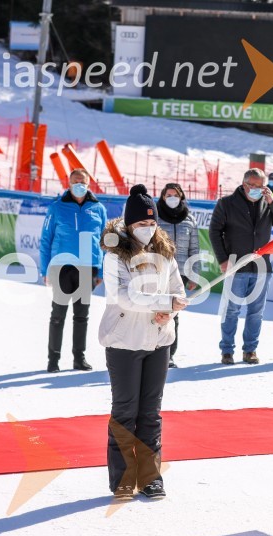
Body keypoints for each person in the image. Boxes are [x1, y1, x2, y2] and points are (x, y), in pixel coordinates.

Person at [98, 184, 187, 501]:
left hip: (159, 343)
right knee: (125, 412)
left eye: (151, 223)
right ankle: (122, 479)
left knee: (150, 413)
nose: (147, 229)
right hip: (124, 342)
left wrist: (171, 312)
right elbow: (121, 297)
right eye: (141, 224)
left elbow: (178, 291)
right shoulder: (114, 255)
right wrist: (162, 303)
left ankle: (150, 477)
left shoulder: (165, 251)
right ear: (128, 224)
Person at [209, 168, 273, 365]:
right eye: (253, 185)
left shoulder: (268, 203)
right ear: (245, 184)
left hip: (261, 268)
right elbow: (214, 231)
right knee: (232, 311)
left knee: (256, 312)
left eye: (261, 186)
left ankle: (250, 350)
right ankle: (227, 350)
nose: (257, 189)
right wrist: (223, 259)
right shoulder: (226, 203)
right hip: (236, 266)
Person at [40, 168, 107, 373]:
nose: (80, 184)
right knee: (58, 315)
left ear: (89, 184)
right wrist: (45, 270)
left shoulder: (98, 209)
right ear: (68, 184)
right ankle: (54, 359)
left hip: (87, 268)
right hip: (62, 267)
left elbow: (104, 243)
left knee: (82, 316)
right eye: (76, 181)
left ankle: (79, 358)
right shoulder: (57, 208)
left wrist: (101, 272)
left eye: (83, 181)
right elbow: (46, 239)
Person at [156, 183, 200, 368]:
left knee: (174, 314)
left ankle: (169, 354)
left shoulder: (189, 219)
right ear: (163, 197)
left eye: (176, 194)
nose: (172, 198)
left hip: (180, 274)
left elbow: (194, 249)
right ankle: (152, 350)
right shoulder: (156, 217)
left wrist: (194, 275)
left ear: (181, 197)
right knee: (155, 310)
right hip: (157, 272)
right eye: (168, 195)